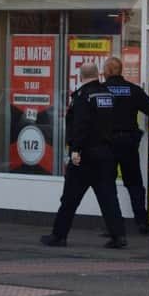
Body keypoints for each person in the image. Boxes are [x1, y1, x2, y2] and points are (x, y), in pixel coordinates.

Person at [40, 62, 127, 249]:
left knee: (70, 198)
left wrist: (75, 151)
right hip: (106, 154)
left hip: (85, 157)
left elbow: (80, 126)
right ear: (99, 75)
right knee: (109, 197)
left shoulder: (82, 97)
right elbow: (115, 125)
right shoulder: (109, 96)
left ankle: (58, 236)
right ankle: (119, 236)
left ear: (81, 77)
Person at [103, 56, 149, 234]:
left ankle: (113, 225)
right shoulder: (132, 90)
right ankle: (141, 222)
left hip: (107, 144)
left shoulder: (101, 90)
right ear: (120, 71)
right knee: (134, 183)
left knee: (107, 185)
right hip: (128, 143)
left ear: (107, 72)